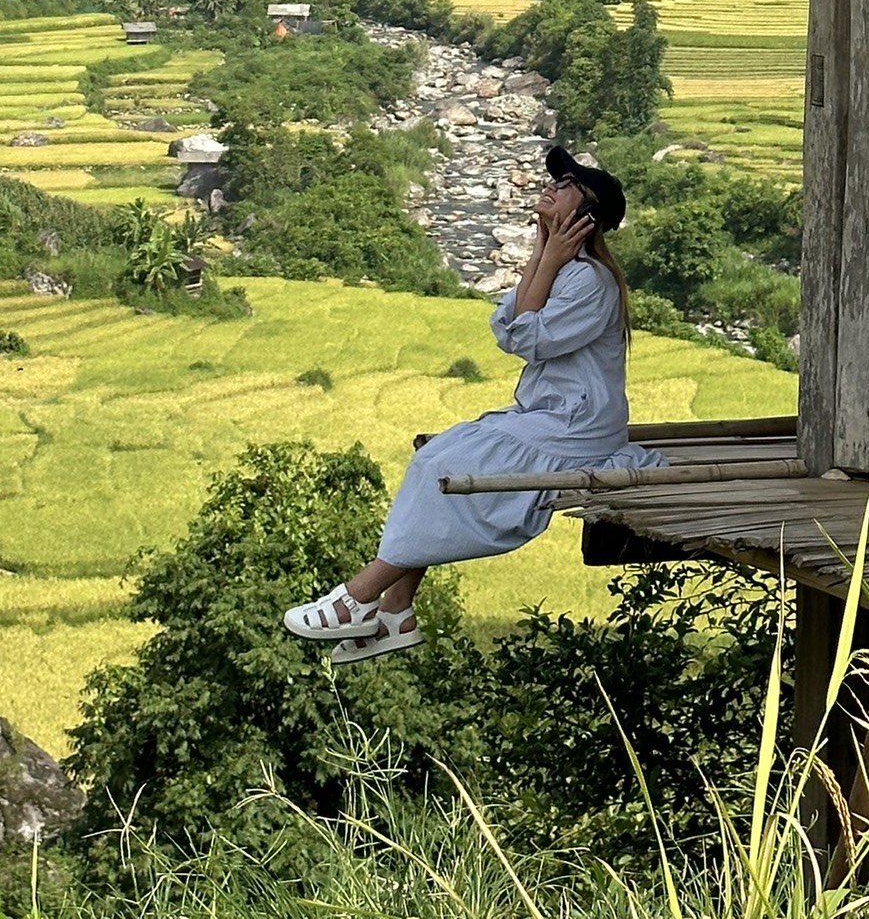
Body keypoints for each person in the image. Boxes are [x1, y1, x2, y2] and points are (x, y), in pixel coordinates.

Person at [283, 145, 662, 663]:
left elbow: (527, 338)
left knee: (438, 462)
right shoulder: (562, 268)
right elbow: (506, 329)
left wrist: (548, 258)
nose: (553, 183)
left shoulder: (590, 282)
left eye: (568, 182)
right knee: (441, 452)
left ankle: (359, 596)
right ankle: (397, 609)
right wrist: (542, 252)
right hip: (546, 418)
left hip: (575, 429)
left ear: (585, 214)